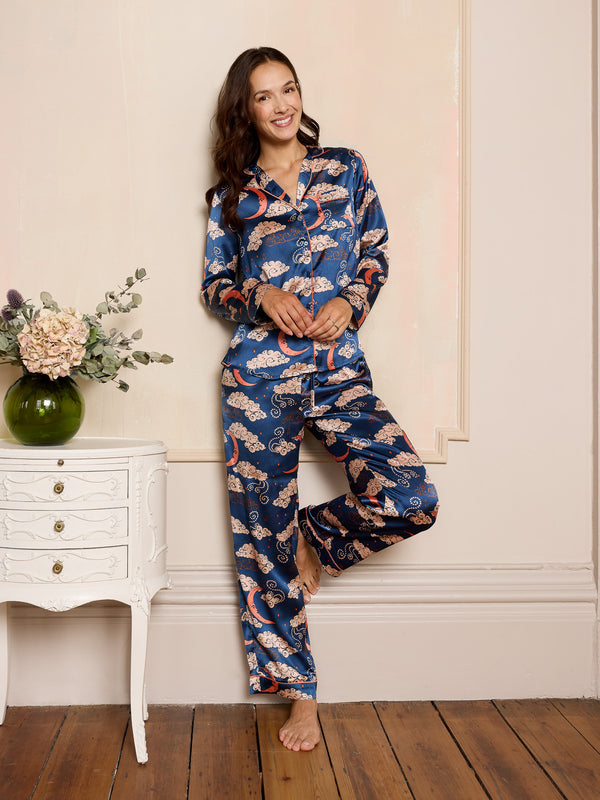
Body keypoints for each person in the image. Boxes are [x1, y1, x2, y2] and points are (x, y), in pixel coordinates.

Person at [201, 46, 439, 752]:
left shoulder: (346, 168)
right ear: (245, 110)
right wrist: (260, 293)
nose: (282, 105)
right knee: (260, 542)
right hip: (258, 378)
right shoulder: (231, 194)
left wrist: (351, 298)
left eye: (290, 89)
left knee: (409, 494)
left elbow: (376, 251)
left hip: (338, 370)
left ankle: (315, 537)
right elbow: (215, 286)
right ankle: (299, 698)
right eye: (265, 96)